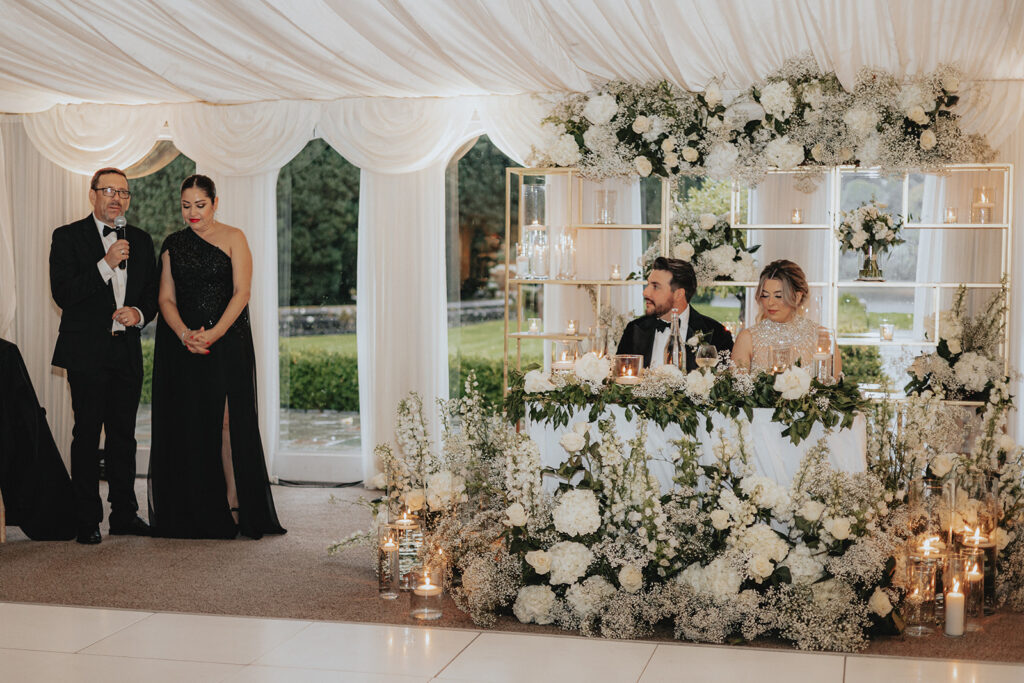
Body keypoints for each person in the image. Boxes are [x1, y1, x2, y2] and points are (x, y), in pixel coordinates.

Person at [147, 175, 285, 539]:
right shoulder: (172, 244)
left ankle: (233, 501)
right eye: (185, 206)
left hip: (226, 341)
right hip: (186, 343)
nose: (192, 213)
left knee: (226, 424)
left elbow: (242, 293)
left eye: (200, 205)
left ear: (215, 202)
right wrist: (184, 335)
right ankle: (194, 508)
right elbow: (165, 299)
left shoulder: (234, 237)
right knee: (190, 421)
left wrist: (215, 333)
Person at [49, 167, 158, 544]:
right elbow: (64, 293)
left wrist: (138, 314)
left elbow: (151, 295)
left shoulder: (141, 241)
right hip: (86, 353)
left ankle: (125, 514)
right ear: (92, 193)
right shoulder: (67, 237)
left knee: (124, 437)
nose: (117, 198)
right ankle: (86, 519)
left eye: (124, 193)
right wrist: (105, 263)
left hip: (126, 352)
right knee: (87, 435)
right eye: (109, 190)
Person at [616, 257, 733, 370]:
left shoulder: (717, 335)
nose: (645, 292)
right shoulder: (634, 330)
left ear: (679, 294)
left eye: (655, 286)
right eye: (648, 284)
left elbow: (723, 385)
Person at [731, 259, 842, 375]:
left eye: (778, 296)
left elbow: (835, 388)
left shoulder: (822, 338)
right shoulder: (747, 339)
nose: (770, 303)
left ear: (797, 297)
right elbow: (737, 390)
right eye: (765, 295)